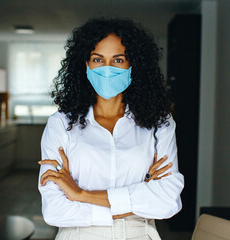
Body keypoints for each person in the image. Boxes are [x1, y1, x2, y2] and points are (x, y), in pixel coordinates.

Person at [37, 17, 184, 240]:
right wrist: (139, 195)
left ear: (133, 65)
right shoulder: (61, 124)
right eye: (98, 59)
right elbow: (55, 211)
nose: (107, 69)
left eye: (117, 60)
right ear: (85, 64)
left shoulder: (158, 123)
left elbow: (167, 202)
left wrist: (80, 194)